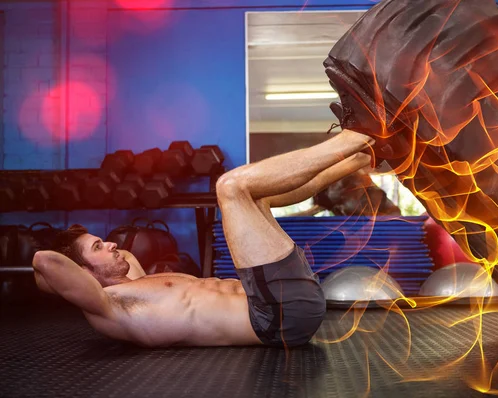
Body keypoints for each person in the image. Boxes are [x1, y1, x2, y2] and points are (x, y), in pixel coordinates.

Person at [32, 129, 376, 348]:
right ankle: (356, 136)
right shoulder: (110, 306)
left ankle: (365, 155)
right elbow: (44, 262)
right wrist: (63, 275)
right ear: (84, 274)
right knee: (230, 186)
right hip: (276, 317)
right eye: (97, 248)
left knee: (258, 196)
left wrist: (90, 252)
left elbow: (81, 265)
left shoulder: (135, 277)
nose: (110, 243)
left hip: (282, 302)